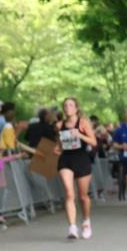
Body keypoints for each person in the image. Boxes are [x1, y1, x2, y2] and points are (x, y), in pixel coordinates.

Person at [54, 97, 98, 239]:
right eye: (65, 105)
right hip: (66, 159)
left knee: (83, 196)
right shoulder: (59, 125)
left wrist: (80, 135)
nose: (67, 108)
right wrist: (57, 149)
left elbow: (94, 142)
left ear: (76, 108)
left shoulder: (83, 122)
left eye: (71, 105)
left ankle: (86, 222)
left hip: (81, 159)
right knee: (69, 193)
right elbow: (58, 145)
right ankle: (72, 227)